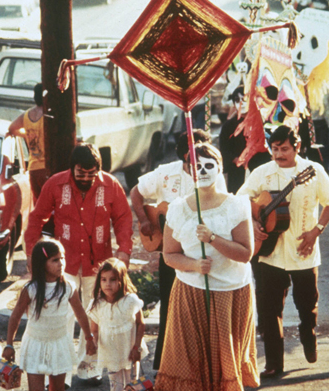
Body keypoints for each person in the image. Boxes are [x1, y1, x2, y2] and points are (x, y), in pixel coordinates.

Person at [24, 143, 133, 385]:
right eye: (80, 173)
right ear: (71, 168)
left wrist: (124, 250)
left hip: (98, 264)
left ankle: (88, 367)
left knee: (93, 315)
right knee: (61, 314)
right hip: (63, 264)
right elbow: (36, 218)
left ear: (98, 170)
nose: (85, 178)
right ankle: (57, 368)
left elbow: (123, 218)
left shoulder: (110, 185)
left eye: (90, 174)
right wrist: (33, 253)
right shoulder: (55, 183)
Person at [237, 125, 329, 379]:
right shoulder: (262, 172)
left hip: (303, 249)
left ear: (297, 148)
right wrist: (253, 222)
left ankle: (309, 334)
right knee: (269, 310)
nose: (279, 154)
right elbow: (240, 200)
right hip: (269, 252)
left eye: (284, 149)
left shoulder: (313, 171)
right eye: (275, 149)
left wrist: (317, 231)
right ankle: (274, 363)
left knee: (307, 306)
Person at [155, 143, 260, 391]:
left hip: (229, 293)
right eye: (196, 166)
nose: (202, 171)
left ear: (220, 168)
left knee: (222, 364)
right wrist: (193, 264)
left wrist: (213, 239)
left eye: (208, 165)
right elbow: (169, 255)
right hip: (190, 292)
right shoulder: (178, 209)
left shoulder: (236, 205)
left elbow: (246, 253)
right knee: (190, 363)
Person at [129, 129, 227, 372]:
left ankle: (200, 364)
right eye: (192, 157)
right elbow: (136, 192)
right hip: (171, 253)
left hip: (199, 252)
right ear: (182, 154)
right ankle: (166, 362)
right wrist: (144, 220)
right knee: (170, 305)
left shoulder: (214, 175)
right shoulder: (165, 173)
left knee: (201, 306)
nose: (199, 162)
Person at [3, 238, 96, 391]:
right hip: (35, 344)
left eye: (63, 258)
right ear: (42, 263)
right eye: (55, 260)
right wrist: (9, 344)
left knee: (58, 388)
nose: (61, 263)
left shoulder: (68, 287)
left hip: (59, 343)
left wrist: (89, 338)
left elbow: (80, 314)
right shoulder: (31, 289)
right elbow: (16, 316)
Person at [81, 258, 149, 391]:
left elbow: (141, 323)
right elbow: (95, 330)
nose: (108, 284)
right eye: (104, 279)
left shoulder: (130, 301)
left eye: (113, 279)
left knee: (133, 386)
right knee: (115, 386)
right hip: (111, 353)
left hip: (130, 350)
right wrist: (93, 344)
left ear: (121, 280)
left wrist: (137, 347)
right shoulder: (97, 304)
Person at [218, 86, 272, 194]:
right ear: (233, 103)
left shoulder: (262, 122)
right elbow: (224, 148)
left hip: (259, 167)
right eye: (237, 100)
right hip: (237, 170)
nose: (241, 103)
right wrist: (236, 159)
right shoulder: (228, 126)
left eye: (244, 99)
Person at [8, 83, 48, 201]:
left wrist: (27, 134)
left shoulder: (27, 115)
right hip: (46, 168)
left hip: (33, 168)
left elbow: (12, 128)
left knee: (38, 204)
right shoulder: (48, 115)